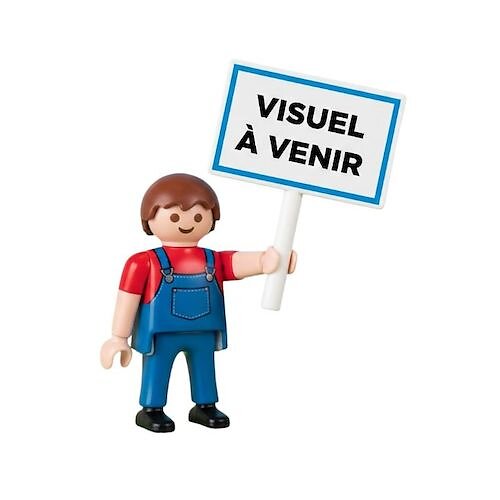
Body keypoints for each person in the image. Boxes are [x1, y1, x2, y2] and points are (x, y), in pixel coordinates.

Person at [100, 173, 296, 432]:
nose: (187, 223)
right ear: (149, 218)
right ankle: (152, 408)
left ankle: (205, 405)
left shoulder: (213, 259)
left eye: (197, 216)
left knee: (205, 367)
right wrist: (118, 337)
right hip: (161, 333)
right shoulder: (143, 262)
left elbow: (239, 262)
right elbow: (128, 297)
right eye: (174, 217)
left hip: (203, 330)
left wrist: (268, 262)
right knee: (157, 367)